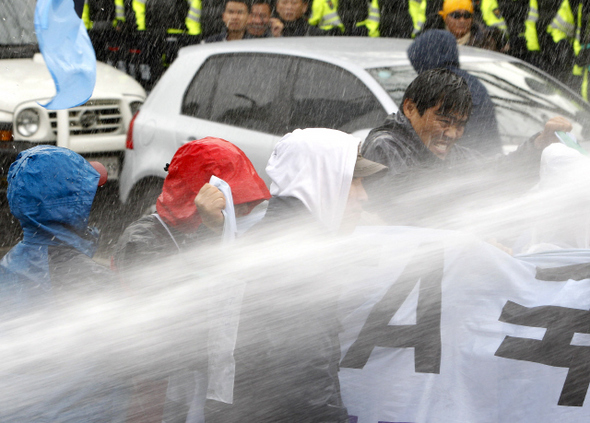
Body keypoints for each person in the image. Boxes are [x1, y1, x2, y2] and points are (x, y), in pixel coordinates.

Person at [204, 128, 387, 423]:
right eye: (354, 181)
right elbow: (305, 385)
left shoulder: (278, 242)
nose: (364, 196)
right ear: (321, 180)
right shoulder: (295, 260)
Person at [0, 146, 126, 421]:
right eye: (86, 196)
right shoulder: (88, 279)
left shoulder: (10, 264)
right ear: (73, 206)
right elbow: (135, 356)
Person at [360, 68, 572, 227]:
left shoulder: (451, 155)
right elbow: (408, 206)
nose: (451, 134)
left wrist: (540, 144)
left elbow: (497, 173)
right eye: (443, 121)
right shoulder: (384, 146)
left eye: (460, 125)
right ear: (410, 108)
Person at [114, 137, 271, 273]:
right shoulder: (141, 242)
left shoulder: (223, 230)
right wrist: (213, 230)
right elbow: (196, 292)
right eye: (237, 202)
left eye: (249, 202)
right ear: (200, 199)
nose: (245, 211)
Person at [408, 29, 502, 155]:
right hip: (483, 157)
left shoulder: (438, 85)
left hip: (462, 163)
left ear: (422, 59)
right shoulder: (470, 82)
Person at [421, 0, 507, 50]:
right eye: (456, 15)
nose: (462, 20)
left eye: (467, 15)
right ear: (445, 18)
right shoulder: (430, 42)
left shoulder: (486, 42)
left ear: (472, 19)